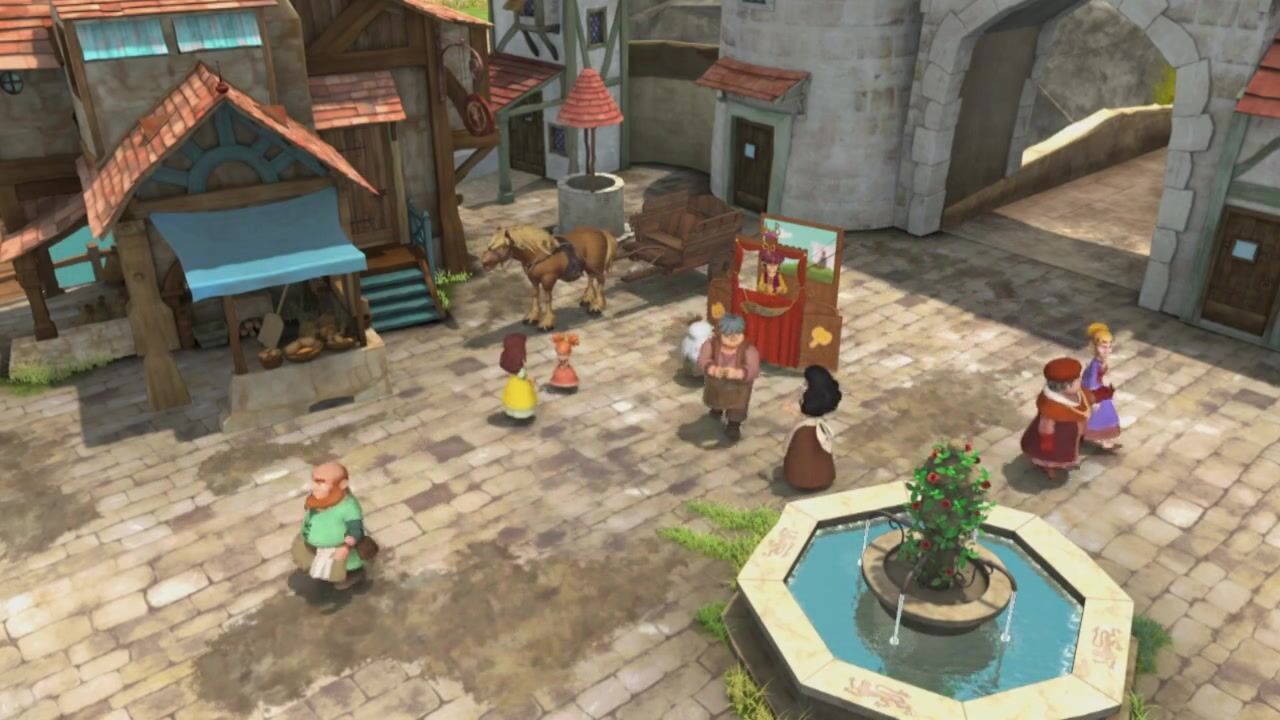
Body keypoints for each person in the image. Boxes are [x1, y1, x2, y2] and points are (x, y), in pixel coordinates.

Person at [291, 462, 375, 590]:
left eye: (320, 483)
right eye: (314, 481)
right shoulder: (318, 498)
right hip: (315, 546)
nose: (314, 487)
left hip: (336, 550)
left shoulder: (348, 506)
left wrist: (347, 546)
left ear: (342, 484)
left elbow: (355, 529)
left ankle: (354, 575)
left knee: (343, 567)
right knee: (314, 561)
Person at [1020, 357, 1095, 481]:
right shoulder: (1051, 406)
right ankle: (1049, 466)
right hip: (1058, 436)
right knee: (1055, 453)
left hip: (1071, 434)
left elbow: (1087, 399)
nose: (1080, 381)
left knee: (1070, 447)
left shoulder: (1077, 393)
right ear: (1065, 386)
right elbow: (1046, 426)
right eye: (1077, 380)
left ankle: (1069, 460)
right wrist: (1047, 442)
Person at [697, 314, 761, 441]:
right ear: (720, 334)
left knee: (737, 407)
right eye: (728, 335)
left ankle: (733, 425)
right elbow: (703, 359)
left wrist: (738, 373)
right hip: (717, 383)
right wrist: (712, 369)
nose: (733, 338)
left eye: (737, 334)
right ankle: (716, 409)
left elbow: (753, 368)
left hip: (738, 387)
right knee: (716, 398)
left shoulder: (748, 350)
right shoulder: (711, 344)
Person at [783, 365, 842, 491]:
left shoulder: (802, 431)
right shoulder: (821, 426)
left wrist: (795, 413)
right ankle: (821, 476)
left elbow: (786, 445)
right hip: (825, 479)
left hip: (798, 480)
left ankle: (802, 477)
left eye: (806, 384)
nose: (803, 386)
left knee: (801, 452)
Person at [1083, 323, 1121, 450]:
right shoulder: (1095, 364)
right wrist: (1095, 400)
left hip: (1101, 391)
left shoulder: (1101, 361)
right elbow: (1091, 382)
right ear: (1094, 347)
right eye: (1103, 347)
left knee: (1105, 415)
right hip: (1095, 394)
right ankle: (1102, 439)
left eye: (1109, 347)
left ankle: (1104, 439)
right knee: (1103, 416)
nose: (1107, 350)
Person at [500, 333, 537, 420]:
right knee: (522, 398)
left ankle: (511, 411)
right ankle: (522, 414)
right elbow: (522, 375)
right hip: (521, 384)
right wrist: (530, 379)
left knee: (513, 397)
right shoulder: (518, 363)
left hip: (513, 382)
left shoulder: (510, 361)